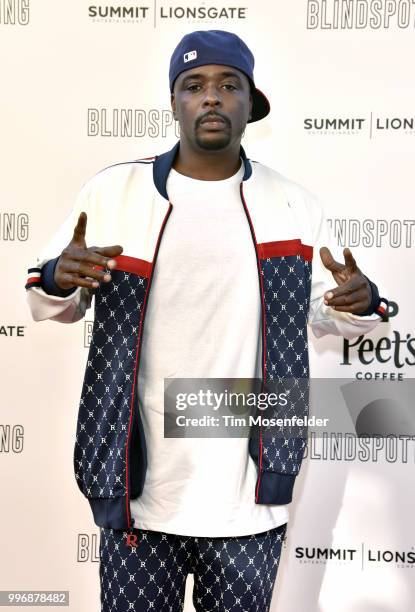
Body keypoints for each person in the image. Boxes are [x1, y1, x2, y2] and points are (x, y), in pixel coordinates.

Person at [25, 29, 388, 612]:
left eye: (228, 85)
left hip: (251, 494)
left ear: (252, 103)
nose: (212, 97)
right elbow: (50, 303)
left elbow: (339, 316)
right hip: (141, 491)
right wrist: (58, 277)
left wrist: (361, 303)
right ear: (175, 103)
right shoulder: (114, 192)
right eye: (194, 86)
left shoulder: (293, 205)